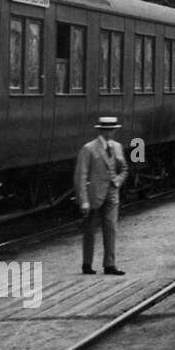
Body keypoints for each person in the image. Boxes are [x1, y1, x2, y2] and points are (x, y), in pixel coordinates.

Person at [73, 116, 129, 275]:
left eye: (112, 130)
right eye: (107, 130)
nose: (110, 133)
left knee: (111, 228)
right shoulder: (89, 148)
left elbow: (124, 168)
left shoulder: (117, 147)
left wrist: (117, 181)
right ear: (101, 130)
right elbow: (81, 176)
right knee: (90, 230)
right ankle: (87, 264)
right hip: (93, 196)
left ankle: (109, 265)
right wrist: (83, 200)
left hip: (112, 194)